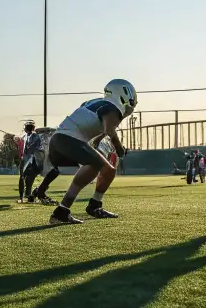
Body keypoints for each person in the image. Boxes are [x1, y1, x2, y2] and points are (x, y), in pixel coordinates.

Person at [34, 80, 136, 225]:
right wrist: (120, 150)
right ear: (124, 95)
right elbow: (110, 130)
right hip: (70, 140)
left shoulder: (94, 102)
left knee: (108, 170)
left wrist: (98, 139)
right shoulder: (113, 108)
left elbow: (95, 122)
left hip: (59, 141)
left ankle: (94, 205)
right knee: (95, 165)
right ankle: (61, 212)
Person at [17, 120, 45, 202]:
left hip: (29, 159)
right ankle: (27, 195)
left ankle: (23, 196)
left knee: (23, 178)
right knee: (29, 178)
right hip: (31, 159)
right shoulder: (28, 136)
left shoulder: (30, 136)